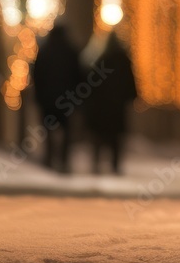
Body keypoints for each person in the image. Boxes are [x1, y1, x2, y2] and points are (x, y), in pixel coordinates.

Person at [79, 29, 138, 174]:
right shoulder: (123, 61)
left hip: (102, 108)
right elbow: (130, 83)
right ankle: (115, 165)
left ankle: (96, 163)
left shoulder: (101, 60)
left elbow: (91, 85)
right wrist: (131, 97)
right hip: (117, 107)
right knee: (115, 138)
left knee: (99, 136)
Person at [30, 18, 83, 173]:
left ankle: (49, 157)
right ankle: (64, 160)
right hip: (67, 99)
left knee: (48, 129)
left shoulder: (45, 50)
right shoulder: (71, 51)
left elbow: (37, 75)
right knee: (66, 130)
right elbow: (78, 76)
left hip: (47, 99)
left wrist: (38, 95)